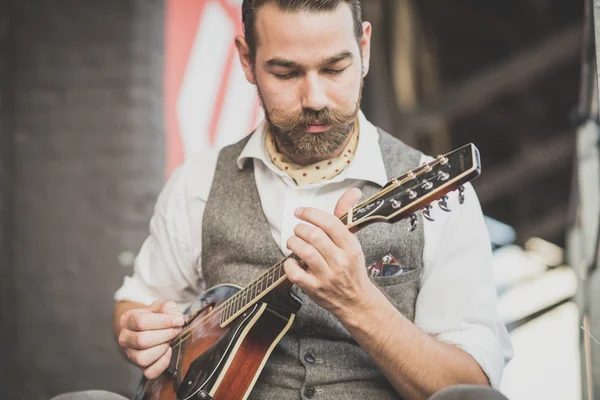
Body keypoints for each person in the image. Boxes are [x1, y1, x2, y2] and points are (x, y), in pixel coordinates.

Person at [53, 1, 513, 399]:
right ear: (247, 60)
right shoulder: (197, 182)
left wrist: (358, 303)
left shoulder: (443, 198)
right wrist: (137, 331)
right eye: (286, 71)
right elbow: (135, 303)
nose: (315, 97)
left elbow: (469, 387)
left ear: (365, 49)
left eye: (335, 68)